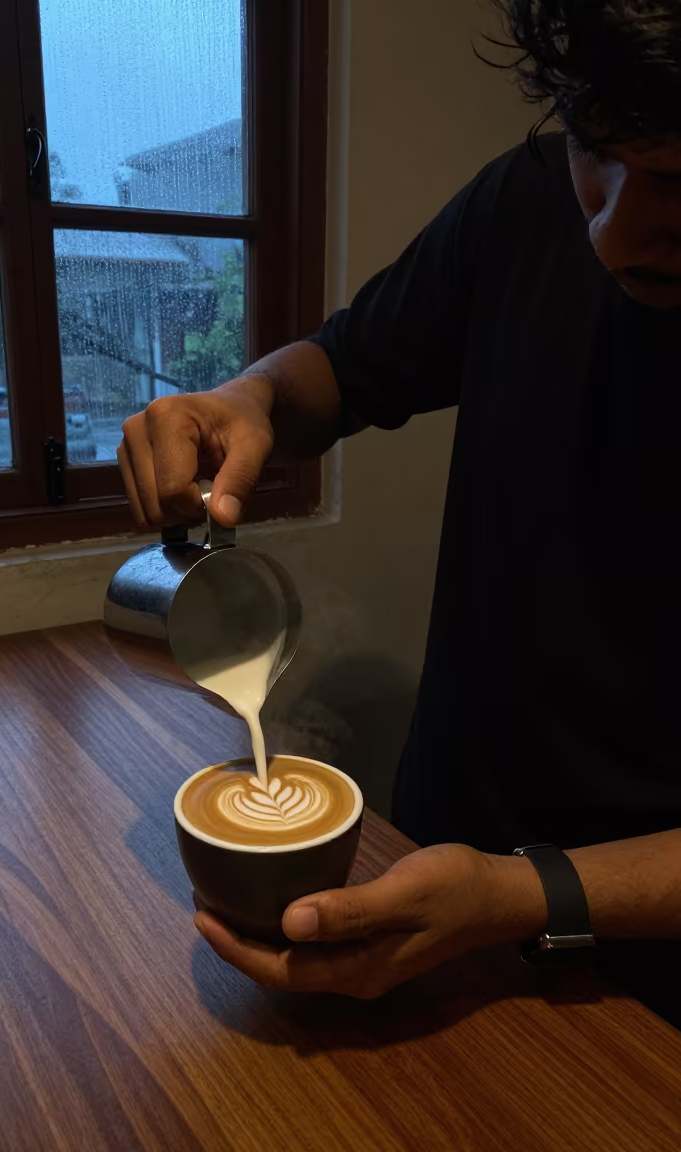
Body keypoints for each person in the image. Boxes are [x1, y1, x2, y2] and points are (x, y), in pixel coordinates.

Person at [118, 0, 681, 1025]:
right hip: (427, 867)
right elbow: (339, 369)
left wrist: (524, 895)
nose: (616, 225)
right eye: (598, 149)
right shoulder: (521, 203)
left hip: (643, 977)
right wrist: (247, 400)